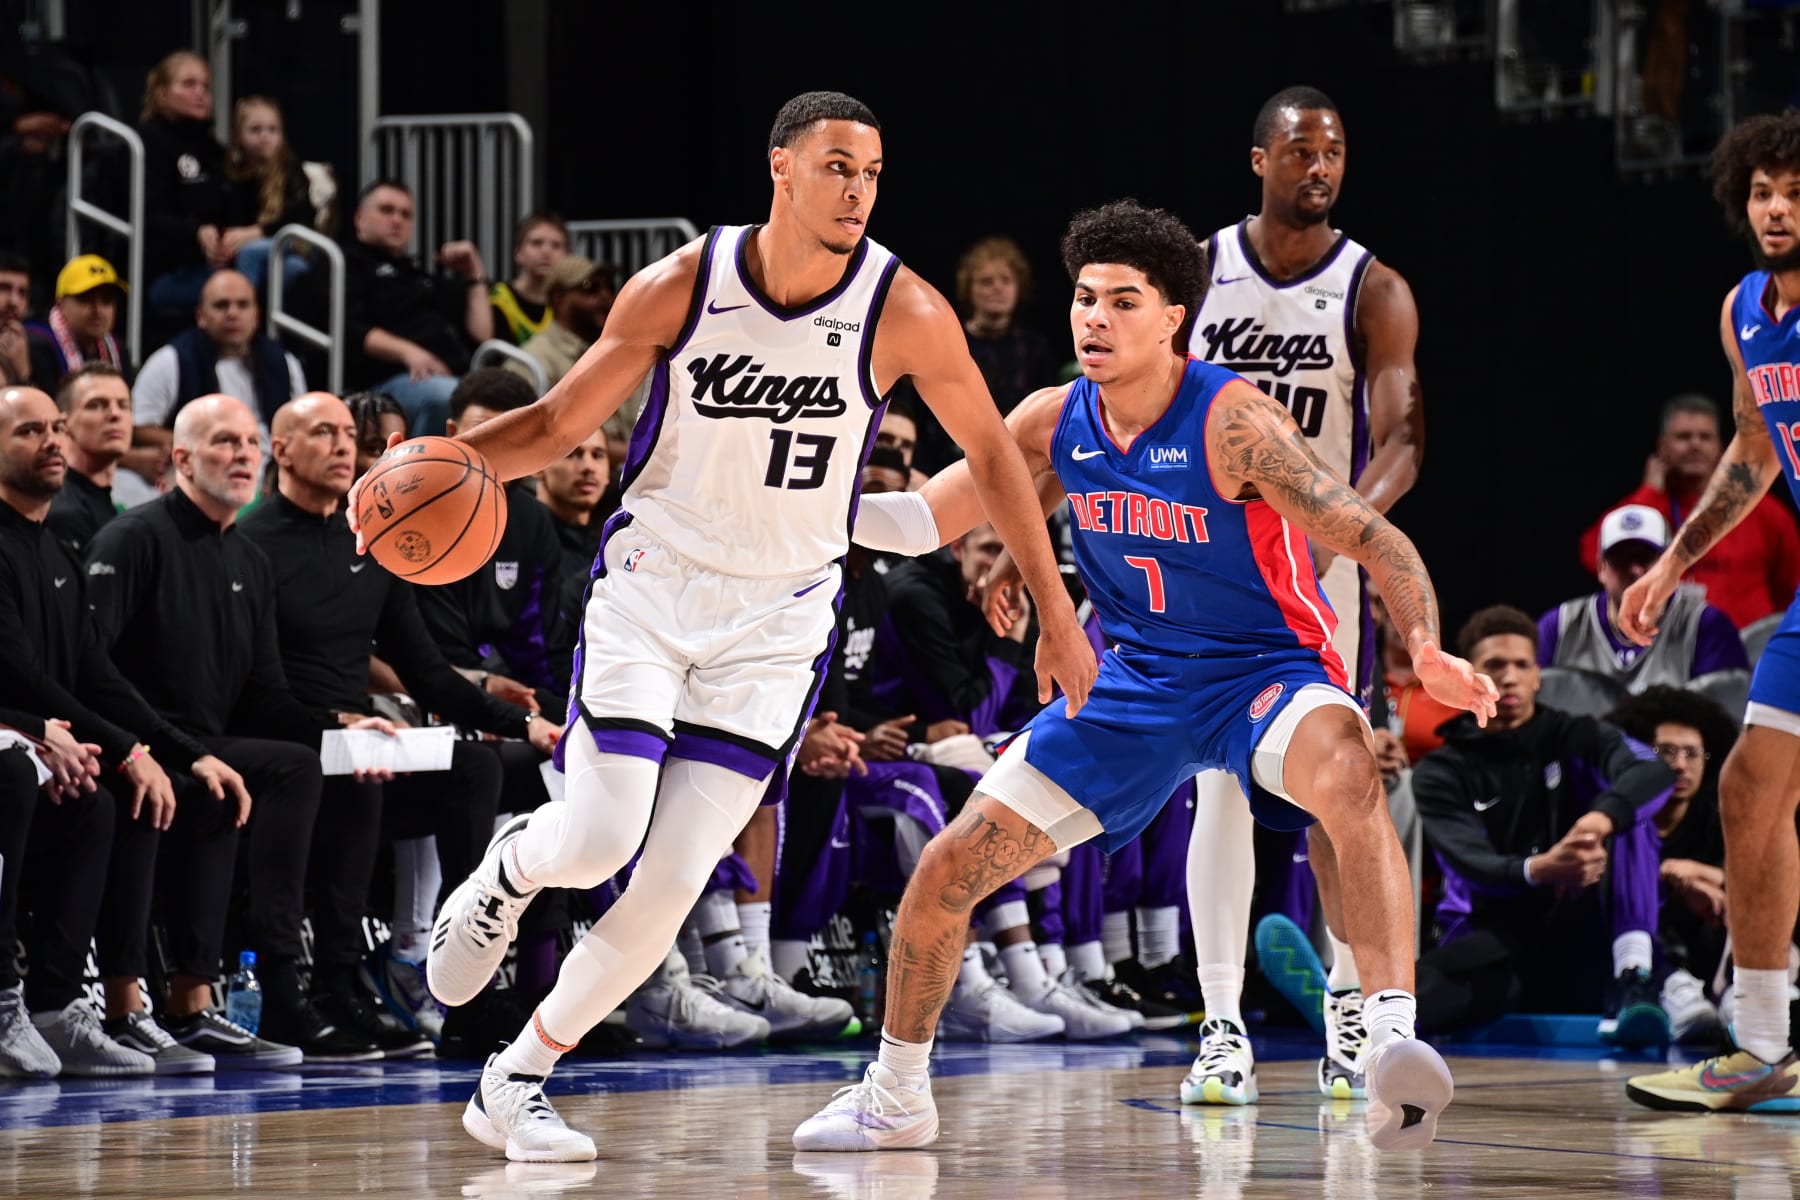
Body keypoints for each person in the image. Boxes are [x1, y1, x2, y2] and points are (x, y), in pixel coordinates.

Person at [350, 91, 1093, 1162]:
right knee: (600, 838)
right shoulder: (685, 284)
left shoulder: (905, 309)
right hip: (655, 589)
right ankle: (515, 865)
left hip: (778, 623)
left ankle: (514, 1080)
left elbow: (992, 461)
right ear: (781, 167)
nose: (858, 190)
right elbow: (556, 425)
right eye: (837, 166)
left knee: (669, 884)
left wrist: (1055, 613)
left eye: (873, 173)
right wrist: (426, 473)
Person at [792, 199, 1488, 1154]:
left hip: (1262, 672)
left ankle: (1388, 1043)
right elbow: (920, 523)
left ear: (1172, 319)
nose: (1096, 318)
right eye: (1085, 298)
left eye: (1123, 301)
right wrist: (797, 499)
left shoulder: (1236, 422)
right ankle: (896, 1095)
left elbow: (1375, 537)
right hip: (1135, 684)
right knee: (950, 866)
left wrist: (1427, 644)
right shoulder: (1052, 420)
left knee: (1349, 768)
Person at [1184, 85, 1426, 1106]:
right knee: (1218, 785)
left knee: (1339, 787)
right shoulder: (1198, 271)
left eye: (1333, 153)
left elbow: (1403, 437)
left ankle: (1347, 1010)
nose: (1319, 168)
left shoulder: (1374, 288)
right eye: (1300, 152)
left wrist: (1341, 526)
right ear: (1260, 160)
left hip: (1317, 574)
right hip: (1204, 559)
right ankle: (1220, 1026)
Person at [240, 391, 558, 1044]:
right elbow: (251, 686)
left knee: (474, 766)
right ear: (281, 451)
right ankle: (334, 981)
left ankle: (463, 985)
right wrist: (337, 724)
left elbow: (429, 674)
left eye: (346, 433)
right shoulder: (251, 543)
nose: (341, 445)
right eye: (322, 432)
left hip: (358, 740)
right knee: (355, 773)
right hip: (285, 736)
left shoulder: (372, 541)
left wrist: (520, 723)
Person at [85, 393, 382, 1063]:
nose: (243, 455)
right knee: (237, 776)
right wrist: (165, 749)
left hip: (199, 744)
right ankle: (156, 998)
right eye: (225, 442)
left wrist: (344, 729)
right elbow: (92, 670)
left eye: (250, 442)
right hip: (129, 739)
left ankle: (215, 1000)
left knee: (295, 763)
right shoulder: (133, 538)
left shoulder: (248, 559)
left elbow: (265, 694)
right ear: (182, 459)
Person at [1621, 110, 1800, 1112]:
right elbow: (1754, 451)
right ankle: (1763, 1047)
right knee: (1750, 787)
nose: (1777, 209)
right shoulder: (1745, 311)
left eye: (1797, 194)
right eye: (1764, 192)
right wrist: (1671, 565)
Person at [0, 384, 195, 1077]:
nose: (51, 441)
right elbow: (17, 673)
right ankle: (4, 998)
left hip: (38, 737)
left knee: (115, 797)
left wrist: (151, 750)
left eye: (56, 427)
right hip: (14, 739)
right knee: (17, 774)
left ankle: (64, 1007)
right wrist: (49, 734)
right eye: (29, 431)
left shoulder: (56, 550)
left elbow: (95, 673)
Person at [1411, 606, 1675, 1046]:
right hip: (1500, 931)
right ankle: (1352, 1011)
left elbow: (1655, 772)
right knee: (1429, 991)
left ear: (1537, 676)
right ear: (1467, 676)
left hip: (1588, 925)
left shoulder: (1578, 735)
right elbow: (1472, 863)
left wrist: (1596, 822)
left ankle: (1635, 977)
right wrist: (1543, 869)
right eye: (1495, 665)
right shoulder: (1442, 770)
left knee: (1629, 810)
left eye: (1522, 665)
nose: (1509, 677)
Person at [1579, 394, 1800, 629]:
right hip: (1666, 642)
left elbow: (1792, 586)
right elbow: (1593, 556)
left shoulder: (1765, 512)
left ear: (1722, 447)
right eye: (1683, 437)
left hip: (1747, 644)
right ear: (1662, 447)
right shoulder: (1650, 506)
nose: (1695, 445)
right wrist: (1649, 495)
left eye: (1705, 437)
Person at [1605, 685, 1738, 1044]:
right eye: (1666, 752)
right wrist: (1666, 877)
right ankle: (1667, 988)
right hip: (1626, 946)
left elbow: (1750, 877)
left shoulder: (1718, 818)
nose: (1680, 765)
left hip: (1704, 939)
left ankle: (1739, 994)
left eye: (1692, 753)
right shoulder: (1619, 816)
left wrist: (1703, 874)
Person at [337, 180, 492, 436]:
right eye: (386, 210)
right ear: (359, 218)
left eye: (406, 214)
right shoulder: (343, 263)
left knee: (512, 399)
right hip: (385, 381)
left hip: (455, 378)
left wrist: (474, 275)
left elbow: (482, 334)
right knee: (446, 398)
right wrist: (408, 352)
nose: (397, 220)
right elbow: (349, 327)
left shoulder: (420, 277)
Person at [1541, 504, 1747, 689]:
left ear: (1668, 564)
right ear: (1601, 568)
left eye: (1645, 557)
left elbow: (1725, 709)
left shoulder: (1706, 625)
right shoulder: (1561, 625)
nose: (1635, 570)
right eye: (1622, 558)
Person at [132, 269, 306, 442]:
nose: (233, 314)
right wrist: (195, 446)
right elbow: (139, 426)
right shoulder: (171, 360)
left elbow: (302, 425)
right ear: (200, 316)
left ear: (256, 315)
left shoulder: (284, 361)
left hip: (273, 457)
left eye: (243, 305)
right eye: (221, 305)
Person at [136, 52, 238, 311]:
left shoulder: (213, 150)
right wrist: (195, 232)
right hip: (168, 270)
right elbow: (148, 215)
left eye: (205, 86)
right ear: (161, 93)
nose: (200, 93)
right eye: (189, 84)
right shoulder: (144, 145)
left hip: (219, 263)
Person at [223, 96, 319, 295]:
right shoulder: (232, 173)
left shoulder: (291, 170)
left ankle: (243, 305)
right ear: (238, 136)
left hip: (290, 241)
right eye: (255, 130)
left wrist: (258, 232)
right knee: (291, 267)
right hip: (256, 249)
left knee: (251, 252)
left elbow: (300, 219)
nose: (264, 136)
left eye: (272, 130)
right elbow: (230, 217)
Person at [45, 365, 130, 551]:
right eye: (96, 405)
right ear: (64, 424)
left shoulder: (101, 500)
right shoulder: (63, 512)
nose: (115, 414)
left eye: (123, 405)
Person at [504, 256, 616, 391]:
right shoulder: (533, 362)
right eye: (591, 287)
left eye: (610, 287)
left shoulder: (614, 353)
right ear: (559, 299)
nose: (605, 295)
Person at [25, 255, 127, 389]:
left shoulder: (117, 349)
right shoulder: (37, 346)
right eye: (86, 299)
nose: (98, 310)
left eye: (106, 300)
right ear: (60, 304)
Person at [490, 213, 570, 345]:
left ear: (567, 256)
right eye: (536, 243)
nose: (546, 251)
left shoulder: (570, 303)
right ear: (518, 253)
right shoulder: (498, 297)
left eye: (556, 245)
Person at [0, 250, 29, 386]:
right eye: (4, 288)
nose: (14, 302)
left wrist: (24, 374)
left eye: (22, 293)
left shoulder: (33, 349)